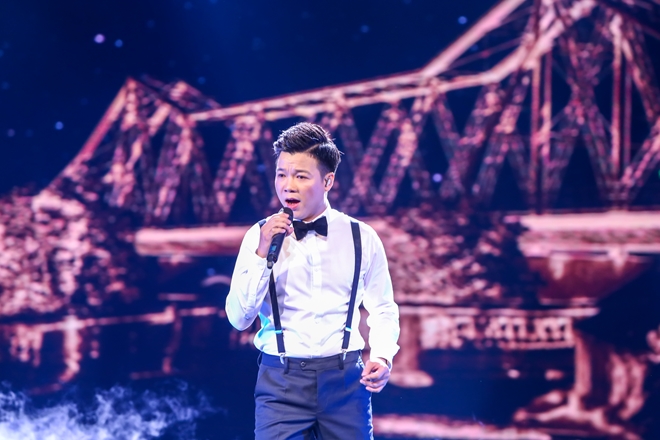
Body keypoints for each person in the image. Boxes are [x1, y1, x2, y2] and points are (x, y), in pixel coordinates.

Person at [225, 122, 400, 439]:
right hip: (281, 383)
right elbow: (239, 319)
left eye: (301, 176)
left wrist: (382, 355)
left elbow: (383, 307)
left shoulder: (361, 237)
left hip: (346, 383)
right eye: (281, 174)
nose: (288, 186)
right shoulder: (258, 236)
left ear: (328, 181)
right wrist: (262, 253)